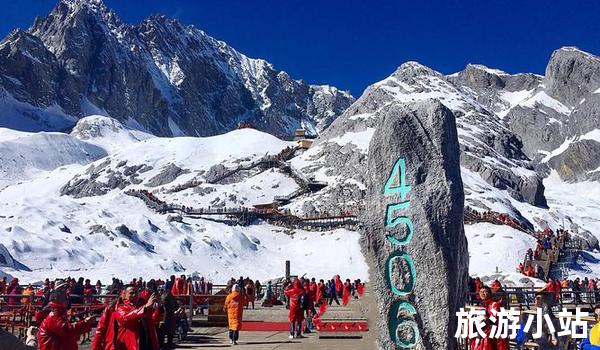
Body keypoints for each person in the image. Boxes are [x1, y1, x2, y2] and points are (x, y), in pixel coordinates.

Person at [114, 285, 161, 350]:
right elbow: (126, 319)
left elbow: (154, 320)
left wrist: (159, 307)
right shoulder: (121, 307)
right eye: (131, 293)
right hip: (131, 345)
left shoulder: (143, 305)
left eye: (136, 292)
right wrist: (145, 308)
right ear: (125, 295)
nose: (134, 295)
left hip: (148, 343)